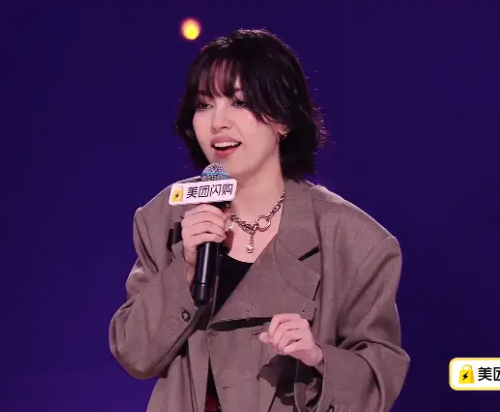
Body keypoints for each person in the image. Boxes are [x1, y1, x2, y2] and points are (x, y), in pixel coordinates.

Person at [108, 29, 409, 412]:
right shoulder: (164, 217)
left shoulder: (355, 241)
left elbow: (379, 379)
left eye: (240, 102)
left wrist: (319, 358)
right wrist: (185, 271)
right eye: (204, 104)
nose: (218, 122)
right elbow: (134, 354)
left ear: (283, 119)